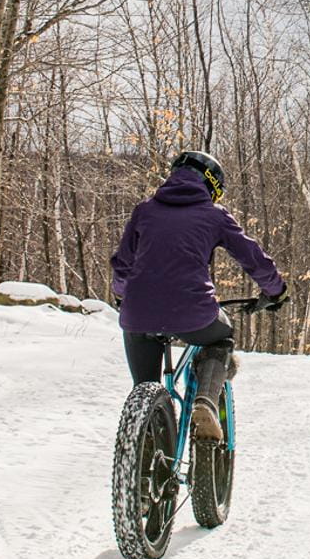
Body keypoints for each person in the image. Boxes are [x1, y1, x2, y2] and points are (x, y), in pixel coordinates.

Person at [109, 150, 287, 438]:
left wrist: (121, 297)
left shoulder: (144, 211)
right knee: (221, 337)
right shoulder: (214, 216)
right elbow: (253, 258)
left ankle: (144, 440)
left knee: (143, 387)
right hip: (193, 313)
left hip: (137, 314)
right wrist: (275, 291)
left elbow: (122, 265)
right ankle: (205, 400)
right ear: (212, 185)